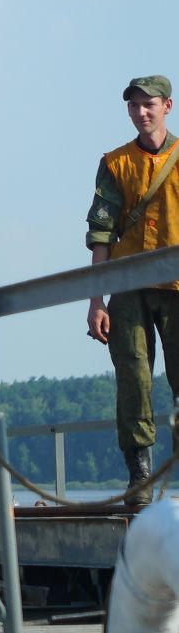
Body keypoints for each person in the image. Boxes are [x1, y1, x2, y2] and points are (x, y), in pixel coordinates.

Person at [87, 75, 179, 501]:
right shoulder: (115, 163)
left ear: (167, 107)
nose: (142, 113)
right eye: (134, 106)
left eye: (150, 105)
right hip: (127, 289)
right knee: (133, 381)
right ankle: (139, 479)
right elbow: (101, 234)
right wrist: (96, 300)